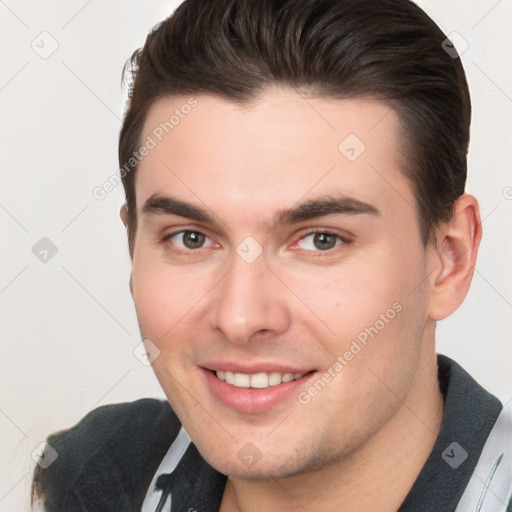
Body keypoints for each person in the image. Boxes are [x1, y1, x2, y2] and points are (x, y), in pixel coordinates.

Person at [31, 0, 512, 510]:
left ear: (448, 259)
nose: (240, 318)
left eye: (321, 240)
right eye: (191, 238)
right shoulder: (90, 475)